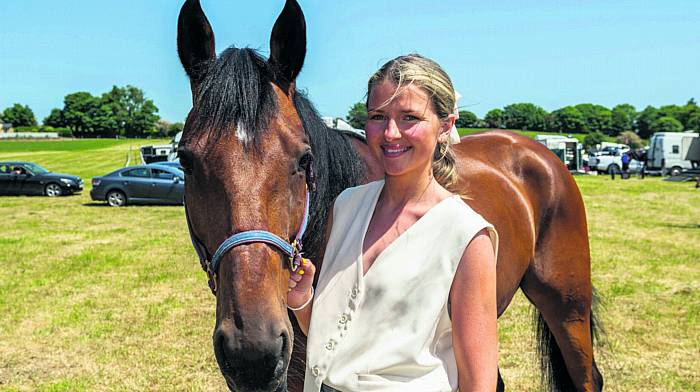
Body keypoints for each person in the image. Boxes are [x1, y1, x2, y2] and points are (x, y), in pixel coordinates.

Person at [288, 54, 499, 392]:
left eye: (409, 117)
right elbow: (343, 344)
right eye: (378, 117)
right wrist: (303, 300)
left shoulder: (467, 236)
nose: (390, 133)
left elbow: (479, 382)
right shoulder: (347, 206)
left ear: (446, 126)